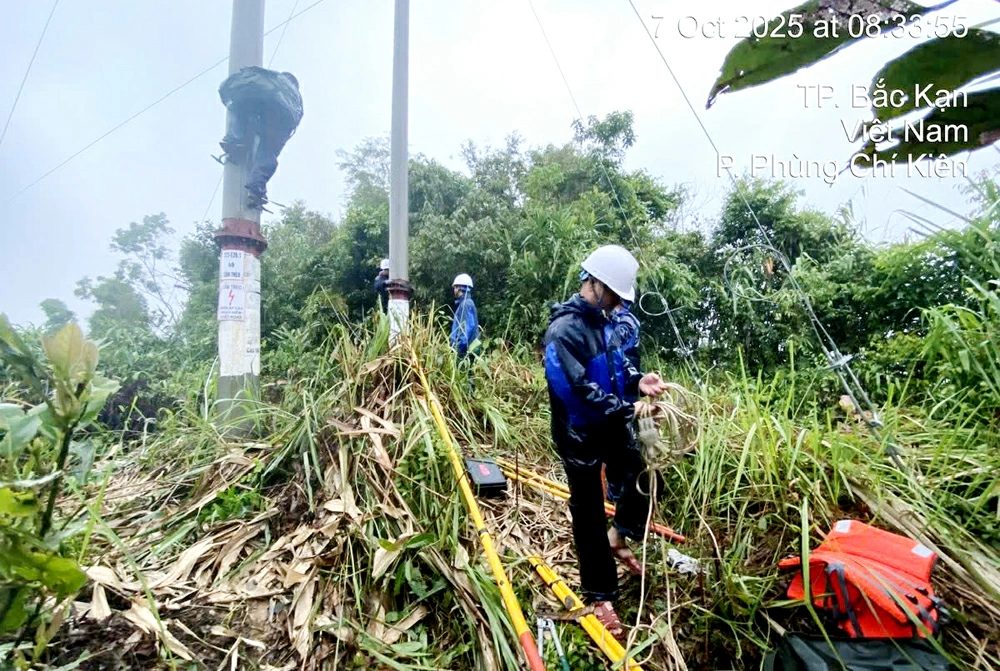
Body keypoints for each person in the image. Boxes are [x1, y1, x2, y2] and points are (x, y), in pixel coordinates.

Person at [543, 244, 668, 640]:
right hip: (579, 429)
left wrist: (638, 381)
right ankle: (600, 596)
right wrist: (628, 409)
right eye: (613, 295)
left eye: (618, 298)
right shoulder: (563, 332)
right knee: (588, 509)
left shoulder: (606, 322)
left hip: (610, 421)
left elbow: (619, 366)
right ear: (594, 284)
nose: (616, 304)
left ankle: (620, 535)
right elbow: (577, 391)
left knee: (642, 473)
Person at [218, 67, 303, 210]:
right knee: (267, 154)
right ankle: (256, 191)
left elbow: (255, 89)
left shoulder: (276, 79)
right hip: (283, 124)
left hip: (267, 113)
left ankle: (235, 141)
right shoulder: (297, 98)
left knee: (238, 106)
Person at [449, 274, 479, 360]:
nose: (454, 290)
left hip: (465, 353)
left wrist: (457, 351)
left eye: (455, 287)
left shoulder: (466, 304)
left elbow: (465, 330)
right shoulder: (465, 303)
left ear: (459, 288)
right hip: (466, 350)